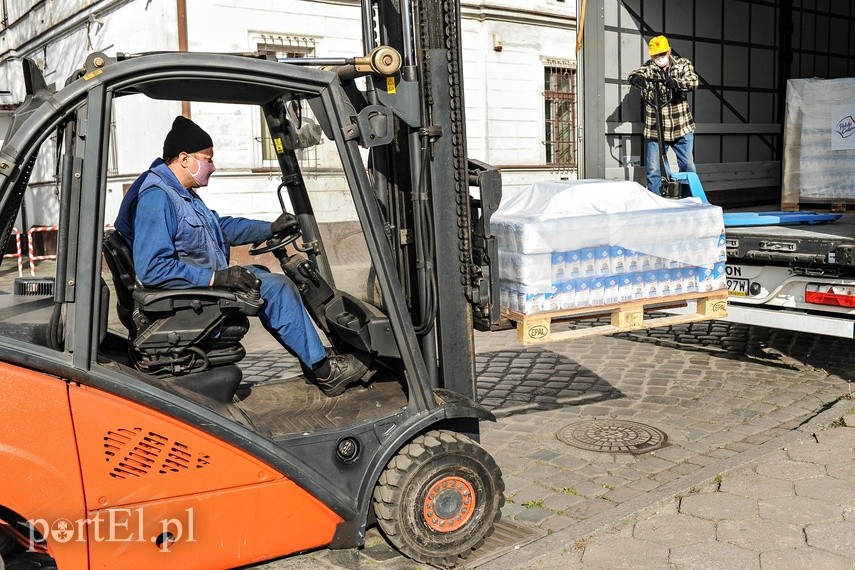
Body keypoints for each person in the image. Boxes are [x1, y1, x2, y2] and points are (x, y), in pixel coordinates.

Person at [114, 115, 367, 397]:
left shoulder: (181, 193)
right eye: (207, 159)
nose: (213, 166)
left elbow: (220, 228)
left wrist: (269, 228)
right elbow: (153, 268)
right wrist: (216, 278)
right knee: (276, 288)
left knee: (260, 272)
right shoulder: (157, 198)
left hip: (199, 291)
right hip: (191, 301)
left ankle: (312, 358)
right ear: (184, 158)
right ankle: (325, 371)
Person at [628, 35, 699, 195]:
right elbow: (633, 75)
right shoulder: (648, 69)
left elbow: (694, 81)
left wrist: (677, 84)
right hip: (656, 129)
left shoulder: (682, 65)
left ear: (669, 51)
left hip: (681, 127)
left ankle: (690, 201)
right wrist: (635, 79)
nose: (658, 58)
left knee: (688, 166)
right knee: (653, 169)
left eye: (661, 54)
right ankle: (656, 203)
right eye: (655, 55)